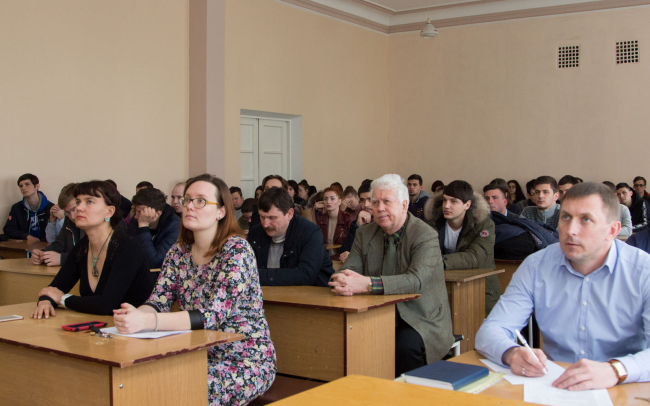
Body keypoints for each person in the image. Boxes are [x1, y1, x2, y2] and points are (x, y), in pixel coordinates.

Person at [112, 174, 276, 405]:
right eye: (188, 200)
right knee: (138, 383)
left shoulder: (237, 250)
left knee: (181, 391)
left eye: (200, 201)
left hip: (243, 359)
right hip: (194, 354)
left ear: (221, 212)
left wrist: (148, 321)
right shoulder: (178, 251)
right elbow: (158, 301)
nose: (189, 206)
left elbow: (212, 316)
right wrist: (135, 316)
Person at [476, 182, 650, 389]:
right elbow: (492, 329)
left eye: (586, 219)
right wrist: (511, 353)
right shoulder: (537, 265)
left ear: (612, 230)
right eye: (566, 217)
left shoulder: (643, 271)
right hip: (555, 385)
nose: (570, 230)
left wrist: (616, 370)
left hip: (623, 387)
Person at [329, 174, 454, 377]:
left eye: (387, 201)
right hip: (376, 312)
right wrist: (342, 279)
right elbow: (349, 270)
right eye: (375, 202)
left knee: (403, 346)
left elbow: (415, 281)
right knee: (344, 338)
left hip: (420, 316)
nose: (379, 208)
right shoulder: (364, 233)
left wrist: (367, 284)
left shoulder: (425, 235)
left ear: (404, 205)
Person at [31, 180, 154, 317]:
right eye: (78, 202)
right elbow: (54, 288)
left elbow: (106, 305)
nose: (79, 208)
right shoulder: (83, 246)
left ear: (109, 211)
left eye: (89, 202)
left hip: (134, 327)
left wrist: (62, 299)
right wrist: (46, 301)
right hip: (98, 325)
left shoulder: (128, 247)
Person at [424, 180, 501, 315]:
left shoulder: (484, 224)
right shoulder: (433, 221)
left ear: (467, 205)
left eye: (453, 201)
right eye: (444, 200)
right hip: (441, 285)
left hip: (481, 287)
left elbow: (475, 257)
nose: (446, 206)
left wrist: (440, 262)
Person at [248, 187, 334, 287]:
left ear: (289, 214)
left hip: (310, 293)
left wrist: (256, 275)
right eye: (262, 217)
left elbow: (306, 275)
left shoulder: (310, 233)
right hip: (266, 293)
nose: (265, 224)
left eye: (272, 218)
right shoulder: (255, 233)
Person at [483, 184, 558, 260]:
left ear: (505, 201)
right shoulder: (481, 223)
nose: (490, 201)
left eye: (495, 198)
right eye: (487, 198)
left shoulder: (519, 221)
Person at [127, 187, 180, 271]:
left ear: (158, 213)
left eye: (140, 212)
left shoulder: (175, 226)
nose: (136, 216)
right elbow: (129, 252)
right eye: (135, 211)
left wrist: (143, 227)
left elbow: (154, 262)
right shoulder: (136, 220)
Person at [32, 183, 80, 267]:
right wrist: (42, 254)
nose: (72, 216)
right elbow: (58, 245)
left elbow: (91, 256)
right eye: (67, 212)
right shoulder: (68, 221)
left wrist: (61, 258)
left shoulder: (95, 224)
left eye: (74, 209)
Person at [3, 173, 54, 242]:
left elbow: (57, 232)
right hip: (25, 245)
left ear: (37, 186)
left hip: (46, 245)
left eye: (27, 184)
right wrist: (26, 236)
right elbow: (8, 229)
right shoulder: (16, 208)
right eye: (21, 186)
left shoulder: (50, 208)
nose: (23, 188)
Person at [317, 187, 353, 260]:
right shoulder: (320, 220)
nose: (328, 202)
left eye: (332, 198)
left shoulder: (348, 219)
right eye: (325, 199)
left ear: (339, 201)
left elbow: (352, 244)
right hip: (324, 260)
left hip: (342, 259)